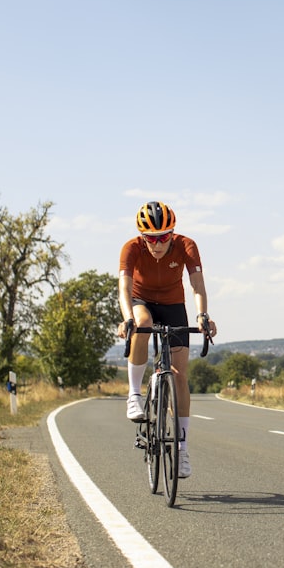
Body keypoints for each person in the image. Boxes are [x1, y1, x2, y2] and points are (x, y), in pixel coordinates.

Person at [116, 201, 217, 479]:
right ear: (142, 236)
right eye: (151, 238)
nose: (157, 244)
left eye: (163, 237)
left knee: (180, 375)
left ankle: (182, 449)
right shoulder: (131, 248)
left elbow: (197, 284)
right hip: (141, 300)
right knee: (143, 324)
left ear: (172, 233)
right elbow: (124, 287)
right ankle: (134, 394)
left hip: (173, 304)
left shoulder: (186, 245)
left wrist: (202, 315)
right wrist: (127, 318)